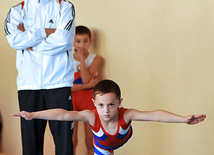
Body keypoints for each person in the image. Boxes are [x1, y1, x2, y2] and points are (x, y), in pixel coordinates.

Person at [12, 80, 206, 155]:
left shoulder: (126, 114)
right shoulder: (91, 116)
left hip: (121, 136)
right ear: (94, 103)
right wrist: (33, 114)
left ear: (120, 102)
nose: (106, 111)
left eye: (111, 105)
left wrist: (183, 119)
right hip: (103, 146)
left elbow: (155, 115)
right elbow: (63, 114)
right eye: (101, 105)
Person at [4, 0, 75, 155]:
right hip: (28, 85)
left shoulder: (65, 7)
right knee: (30, 146)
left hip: (59, 83)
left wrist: (30, 44)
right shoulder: (17, 10)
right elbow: (14, 40)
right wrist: (45, 32)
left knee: (64, 144)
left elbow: (64, 39)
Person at [72, 25, 103, 155]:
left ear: (90, 41)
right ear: (73, 42)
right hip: (72, 100)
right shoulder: (66, 58)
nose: (82, 45)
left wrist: (83, 59)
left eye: (85, 41)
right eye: (78, 41)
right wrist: (89, 85)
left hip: (88, 101)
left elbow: (85, 79)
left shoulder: (96, 59)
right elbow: (69, 88)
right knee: (72, 140)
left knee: (90, 141)